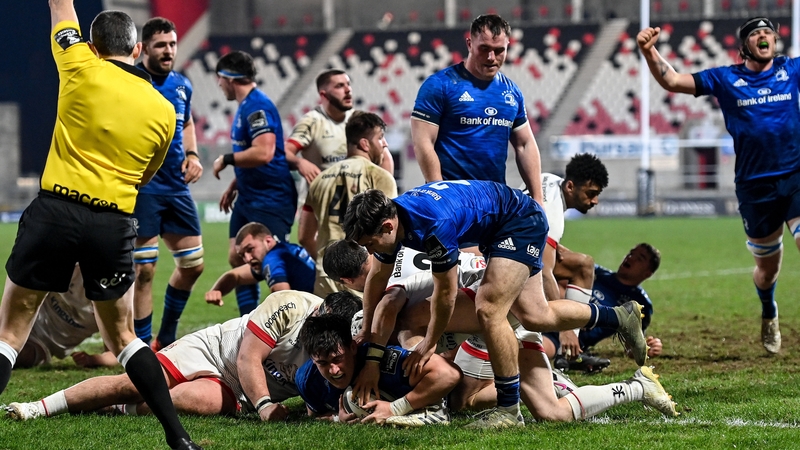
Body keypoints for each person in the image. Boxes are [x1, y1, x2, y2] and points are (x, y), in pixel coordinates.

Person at [0, 2, 198, 449]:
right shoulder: (164, 108)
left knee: (9, 335)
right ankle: (178, 438)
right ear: (137, 49)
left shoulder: (79, 66)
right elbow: (145, 176)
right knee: (124, 338)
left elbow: (60, 5)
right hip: (112, 224)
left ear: (93, 46)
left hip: (55, 211)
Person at [342, 184, 648, 428]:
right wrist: (368, 332)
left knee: (489, 310)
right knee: (536, 315)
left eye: (370, 244)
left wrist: (429, 343)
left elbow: (446, 294)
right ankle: (620, 316)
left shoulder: (433, 226)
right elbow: (377, 278)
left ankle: (508, 410)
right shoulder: (395, 220)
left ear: (387, 226)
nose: (370, 251)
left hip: (518, 223)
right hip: (505, 225)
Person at [637, 17, 800, 354]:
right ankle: (769, 309)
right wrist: (650, 52)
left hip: (795, 176)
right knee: (767, 271)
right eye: (756, 33)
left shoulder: (791, 70)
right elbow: (672, 80)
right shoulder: (726, 78)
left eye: (768, 32)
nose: (764, 36)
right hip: (755, 188)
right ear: (744, 46)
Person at [5, 291, 362, 422]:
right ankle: (38, 407)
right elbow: (247, 358)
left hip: (239, 390)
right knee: (132, 384)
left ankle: (117, 408)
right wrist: (266, 406)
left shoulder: (346, 343)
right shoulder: (290, 305)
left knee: (184, 402)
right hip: (215, 350)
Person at [411, 14, 543, 201]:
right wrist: (440, 195)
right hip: (453, 200)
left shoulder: (512, 93)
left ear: (508, 47)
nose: (491, 57)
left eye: (499, 50)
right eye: (484, 49)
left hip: (495, 201)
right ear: (469, 44)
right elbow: (423, 143)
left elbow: (524, 144)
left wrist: (538, 199)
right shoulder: (439, 85)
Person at [132, 17, 205, 351]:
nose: (168, 51)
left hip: (176, 186)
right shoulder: (130, 81)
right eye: (160, 45)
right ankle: (141, 347)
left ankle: (167, 335)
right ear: (144, 48)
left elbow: (186, 122)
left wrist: (193, 154)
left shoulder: (182, 85)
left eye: (172, 44)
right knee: (145, 269)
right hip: (143, 187)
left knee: (193, 265)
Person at [212, 50, 298, 315]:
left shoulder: (257, 107)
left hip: (271, 199)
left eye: (219, 78)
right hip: (249, 196)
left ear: (229, 78)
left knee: (272, 263)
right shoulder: (246, 106)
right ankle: (247, 319)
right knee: (237, 257)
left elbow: (264, 152)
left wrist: (226, 159)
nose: (218, 84)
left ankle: (289, 321)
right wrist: (236, 183)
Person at [295, 314, 460, 427]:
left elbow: (448, 374)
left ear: (353, 347)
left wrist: (395, 408)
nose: (333, 370)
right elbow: (316, 415)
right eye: (322, 363)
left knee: (462, 400)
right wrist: (338, 418)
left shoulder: (383, 362)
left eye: (337, 359)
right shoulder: (307, 380)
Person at [297, 112, 398, 297]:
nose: (385, 144)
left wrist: (325, 263)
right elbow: (390, 231)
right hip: (364, 274)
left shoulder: (318, 180)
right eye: (380, 138)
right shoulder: (379, 176)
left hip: (328, 276)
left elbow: (304, 236)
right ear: (365, 144)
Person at [545, 243, 663, 372]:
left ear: (647, 273)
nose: (631, 258)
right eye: (631, 253)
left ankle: (569, 356)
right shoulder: (596, 273)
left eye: (639, 258)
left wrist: (646, 348)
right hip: (550, 316)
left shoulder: (640, 302)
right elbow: (562, 265)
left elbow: (631, 347)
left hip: (564, 342)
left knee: (535, 349)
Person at [537, 154, 608, 363]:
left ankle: (568, 352)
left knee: (582, 264)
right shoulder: (553, 217)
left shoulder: (546, 179)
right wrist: (564, 327)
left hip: (503, 247)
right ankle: (567, 344)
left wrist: (550, 244)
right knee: (577, 268)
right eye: (591, 193)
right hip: (508, 265)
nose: (595, 201)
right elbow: (543, 273)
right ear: (570, 186)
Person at [284, 70, 394, 191]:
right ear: (323, 95)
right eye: (339, 86)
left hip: (354, 198)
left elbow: (385, 158)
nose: (348, 90)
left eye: (348, 84)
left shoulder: (358, 120)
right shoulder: (311, 122)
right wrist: (299, 163)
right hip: (320, 198)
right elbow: (285, 152)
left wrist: (383, 192)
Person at [14, 265, 118, 369]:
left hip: (42, 344)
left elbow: (115, 353)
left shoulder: (111, 300)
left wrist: (94, 359)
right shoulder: (72, 267)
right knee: (9, 342)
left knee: (21, 353)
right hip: (22, 320)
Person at [205, 222, 316, 311]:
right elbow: (235, 275)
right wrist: (217, 290)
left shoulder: (272, 260)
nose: (247, 259)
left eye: (250, 249)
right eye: (242, 255)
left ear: (268, 241)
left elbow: (284, 303)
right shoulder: (286, 250)